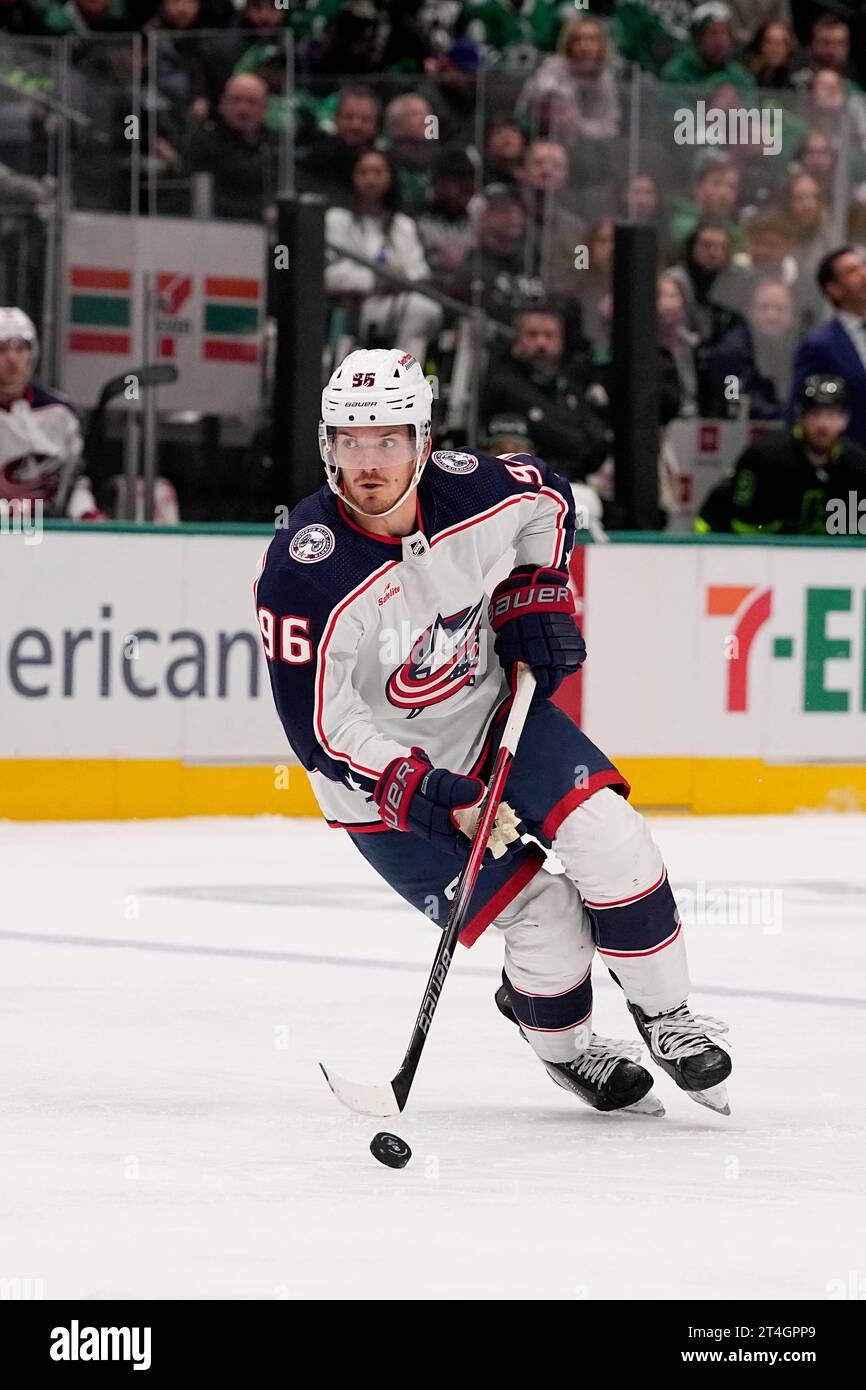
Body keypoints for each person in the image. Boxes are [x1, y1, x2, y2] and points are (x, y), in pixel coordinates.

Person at [255, 347, 732, 1114]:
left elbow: (549, 494)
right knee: (546, 920)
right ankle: (569, 1050)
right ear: (326, 445)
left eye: (386, 441)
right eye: (349, 441)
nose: (367, 464)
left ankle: (667, 1015)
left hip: (487, 714)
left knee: (611, 836)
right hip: (381, 785)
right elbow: (321, 732)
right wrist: (434, 795)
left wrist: (537, 589)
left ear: (423, 440)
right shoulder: (303, 572)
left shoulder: (471, 489)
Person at [697, 374, 866, 533]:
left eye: (831, 415)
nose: (823, 424)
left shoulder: (857, 466)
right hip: (724, 541)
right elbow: (745, 525)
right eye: (815, 414)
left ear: (845, 420)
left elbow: (855, 531)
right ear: (800, 416)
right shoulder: (765, 457)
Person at [324, 148, 442, 366]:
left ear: (389, 178)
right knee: (419, 309)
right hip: (359, 303)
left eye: (378, 172)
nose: (371, 179)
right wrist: (376, 281)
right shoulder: (337, 219)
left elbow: (419, 272)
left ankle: (404, 376)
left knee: (425, 309)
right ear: (353, 177)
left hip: (400, 300)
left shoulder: (402, 224)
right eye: (364, 172)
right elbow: (330, 273)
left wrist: (402, 282)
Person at [480, 302, 609, 480]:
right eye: (532, 335)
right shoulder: (503, 383)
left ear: (561, 341)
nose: (541, 343)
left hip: (572, 483)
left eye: (549, 335)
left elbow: (596, 443)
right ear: (517, 340)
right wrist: (574, 437)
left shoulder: (573, 380)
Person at [0, 308, 100, 519]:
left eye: (20, 348)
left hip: (52, 535)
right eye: (2, 349)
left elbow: (75, 482)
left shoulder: (61, 412)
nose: (12, 358)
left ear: (32, 352)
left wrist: (86, 513)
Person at [788, 245, 866, 450]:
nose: (864, 274)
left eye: (863, 266)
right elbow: (800, 410)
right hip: (849, 465)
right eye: (852, 271)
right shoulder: (821, 345)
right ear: (834, 289)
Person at [188, 73, 278, 221]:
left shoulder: (273, 146)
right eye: (236, 100)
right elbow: (206, 199)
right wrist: (258, 212)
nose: (243, 109)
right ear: (222, 103)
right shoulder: (204, 143)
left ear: (264, 107)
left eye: (252, 102)